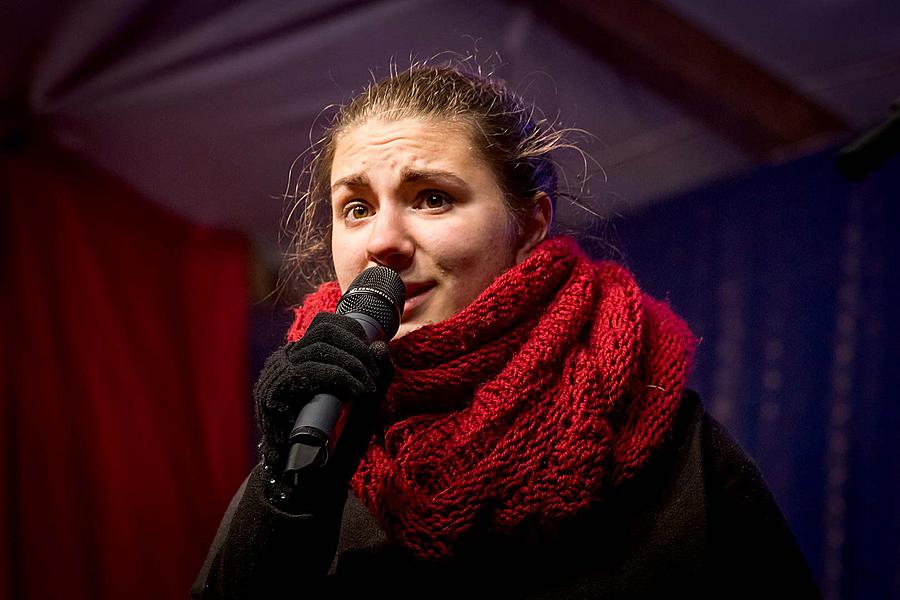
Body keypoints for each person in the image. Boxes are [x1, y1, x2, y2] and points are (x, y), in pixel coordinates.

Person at [192, 63, 820, 599]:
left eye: (432, 197)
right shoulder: (320, 431)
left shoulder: (669, 438)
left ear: (528, 223)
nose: (382, 240)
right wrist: (286, 490)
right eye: (355, 208)